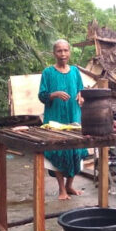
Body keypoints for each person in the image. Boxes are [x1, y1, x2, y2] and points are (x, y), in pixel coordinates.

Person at [38, 39, 88, 200]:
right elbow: (42, 95)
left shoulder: (75, 71)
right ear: (54, 53)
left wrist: (81, 97)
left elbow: (81, 91)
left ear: (70, 52)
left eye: (66, 50)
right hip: (55, 118)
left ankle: (69, 186)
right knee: (58, 150)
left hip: (74, 116)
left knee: (76, 150)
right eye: (59, 51)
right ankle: (62, 189)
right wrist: (55, 94)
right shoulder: (48, 73)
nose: (63, 54)